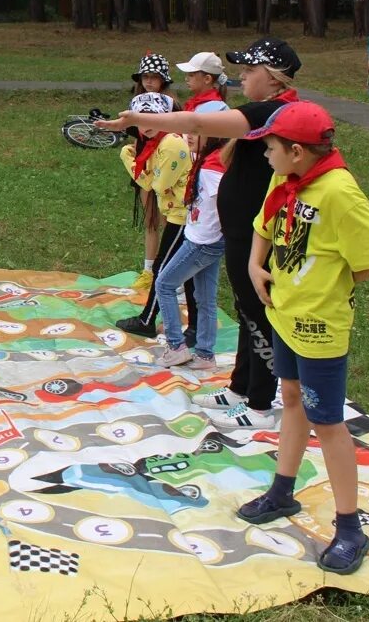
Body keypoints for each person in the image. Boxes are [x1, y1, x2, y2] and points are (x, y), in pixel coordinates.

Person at [97, 37, 304, 430]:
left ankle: (259, 404)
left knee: (258, 314)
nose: (242, 77)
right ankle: (241, 388)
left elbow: (194, 122)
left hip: (251, 230)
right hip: (245, 230)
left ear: (273, 78)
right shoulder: (268, 109)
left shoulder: (270, 111)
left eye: (249, 71)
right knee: (247, 311)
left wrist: (138, 120)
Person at [237, 101, 369, 576]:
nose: (265, 155)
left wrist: (331, 285)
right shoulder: (287, 178)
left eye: (269, 147)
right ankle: (282, 492)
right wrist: (253, 263)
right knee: (290, 399)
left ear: (296, 150)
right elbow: (264, 224)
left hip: (320, 326)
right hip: (284, 313)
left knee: (328, 422)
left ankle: (351, 528)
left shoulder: (339, 193)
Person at [114, 92, 198, 343]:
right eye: (141, 120)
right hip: (182, 213)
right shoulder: (159, 143)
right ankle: (194, 328)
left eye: (153, 118)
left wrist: (129, 160)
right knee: (188, 274)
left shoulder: (171, 144)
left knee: (165, 270)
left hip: (184, 216)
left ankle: (148, 321)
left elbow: (156, 185)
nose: (146, 126)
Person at [154, 101, 230, 370]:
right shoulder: (212, 159)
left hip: (202, 241)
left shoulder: (212, 168)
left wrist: (210, 234)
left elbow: (225, 203)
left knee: (163, 284)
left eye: (196, 130)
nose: (188, 135)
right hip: (209, 239)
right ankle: (206, 354)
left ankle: (176, 346)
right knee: (205, 298)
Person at [129, 54, 175, 291]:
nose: (149, 81)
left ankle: (167, 270)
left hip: (166, 170)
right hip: (143, 167)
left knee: (170, 221)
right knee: (150, 220)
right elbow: (134, 136)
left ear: (163, 80)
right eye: (145, 77)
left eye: (154, 77)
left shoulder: (171, 106)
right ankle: (148, 270)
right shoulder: (136, 102)